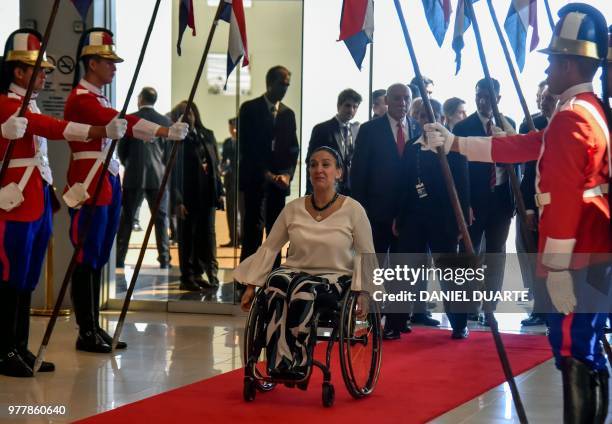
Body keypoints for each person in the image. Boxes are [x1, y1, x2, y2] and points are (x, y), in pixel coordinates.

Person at [425, 6, 610, 421]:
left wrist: (558, 269)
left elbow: (563, 200)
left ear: (567, 63)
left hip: (576, 257)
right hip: (593, 251)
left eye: (551, 60)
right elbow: (524, 145)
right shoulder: (585, 110)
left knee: (573, 352)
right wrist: (456, 142)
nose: (546, 68)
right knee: (587, 346)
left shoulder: (570, 119)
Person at [0, 29, 128, 376]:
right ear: (18, 72)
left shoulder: (27, 105)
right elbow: (53, 127)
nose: (44, 75)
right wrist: (98, 132)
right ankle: (4, 349)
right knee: (10, 275)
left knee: (27, 276)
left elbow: (46, 125)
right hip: (14, 201)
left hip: (37, 198)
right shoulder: (5, 105)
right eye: (38, 70)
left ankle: (19, 347)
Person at [64, 28, 188, 353]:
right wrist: (164, 130)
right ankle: (85, 330)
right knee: (86, 257)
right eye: (108, 62)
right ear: (91, 64)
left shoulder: (99, 97)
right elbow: (121, 121)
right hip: (89, 183)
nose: (114, 68)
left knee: (99, 256)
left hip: (106, 182)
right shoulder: (81, 99)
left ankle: (93, 326)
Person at [235, 146, 374, 379]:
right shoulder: (294, 208)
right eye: (313, 165)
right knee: (276, 282)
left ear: (339, 172)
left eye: (326, 164)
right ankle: (278, 362)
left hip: (335, 279)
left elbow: (365, 252)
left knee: (304, 290)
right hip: (294, 273)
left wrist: (364, 292)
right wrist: (251, 285)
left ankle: (296, 361)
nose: (319, 169)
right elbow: (270, 247)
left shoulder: (353, 210)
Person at [393, 99, 470, 339]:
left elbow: (463, 185)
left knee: (449, 273)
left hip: (444, 219)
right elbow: (404, 186)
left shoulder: (452, 147)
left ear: (440, 117)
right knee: (404, 270)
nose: (425, 120)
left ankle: (459, 324)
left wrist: (462, 219)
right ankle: (396, 322)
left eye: (430, 115)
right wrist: (399, 215)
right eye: (421, 116)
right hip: (414, 218)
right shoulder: (412, 148)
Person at [350, 83, 421, 337]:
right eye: (397, 98)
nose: (402, 102)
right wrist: (359, 213)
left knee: (403, 271)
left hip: (408, 214)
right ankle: (368, 321)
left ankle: (397, 323)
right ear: (387, 101)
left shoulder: (417, 129)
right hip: (376, 213)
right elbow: (358, 174)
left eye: (406, 98)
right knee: (373, 268)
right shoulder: (370, 130)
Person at [452, 78, 516, 326]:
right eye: (479, 95)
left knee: (496, 254)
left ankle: (491, 307)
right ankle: (469, 306)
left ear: (498, 98)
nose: (483, 100)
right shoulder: (463, 127)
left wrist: (509, 140)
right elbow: (457, 171)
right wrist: (463, 203)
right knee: (470, 252)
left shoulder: (507, 124)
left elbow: (519, 162)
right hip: (473, 201)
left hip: (501, 199)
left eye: (489, 96)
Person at [238, 66, 299, 266]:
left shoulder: (288, 114)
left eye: (287, 85)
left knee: (275, 234)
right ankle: (245, 280)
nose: (285, 88)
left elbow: (292, 150)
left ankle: (272, 282)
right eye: (282, 84)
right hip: (256, 182)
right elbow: (246, 148)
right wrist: (265, 174)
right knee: (252, 233)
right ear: (269, 83)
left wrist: (287, 175)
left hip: (278, 186)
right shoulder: (249, 109)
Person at [116, 87, 172, 269]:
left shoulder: (130, 119)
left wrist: (130, 164)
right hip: (158, 177)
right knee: (161, 219)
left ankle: (119, 258)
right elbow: (168, 153)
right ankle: (164, 258)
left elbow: (122, 149)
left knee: (127, 219)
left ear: (140, 99)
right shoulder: (165, 121)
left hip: (133, 175)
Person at [170, 101, 223, 291]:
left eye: (191, 112)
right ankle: (188, 276)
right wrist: (177, 200)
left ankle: (203, 273)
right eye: (183, 113)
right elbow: (171, 173)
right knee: (187, 238)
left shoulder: (207, 135)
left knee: (206, 236)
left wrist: (220, 192)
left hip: (207, 195)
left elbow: (215, 165)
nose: (188, 116)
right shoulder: (176, 139)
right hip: (187, 196)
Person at [517, 85, 557, 327]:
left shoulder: (572, 119)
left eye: (548, 98)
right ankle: (541, 310)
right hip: (539, 205)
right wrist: (529, 209)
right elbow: (528, 170)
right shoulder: (532, 125)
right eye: (541, 98)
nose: (544, 102)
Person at [306, 88, 362, 195]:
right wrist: (311, 190)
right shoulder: (322, 129)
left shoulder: (357, 129)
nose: (351, 110)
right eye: (348, 105)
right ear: (338, 106)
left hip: (351, 188)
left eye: (355, 107)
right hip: (329, 185)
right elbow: (310, 160)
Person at [220, 117, 241, 248]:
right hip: (229, 180)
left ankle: (241, 238)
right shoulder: (227, 142)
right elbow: (223, 161)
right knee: (231, 211)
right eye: (230, 127)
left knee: (241, 211)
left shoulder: (244, 142)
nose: (232, 130)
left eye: (234, 127)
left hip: (242, 181)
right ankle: (233, 238)